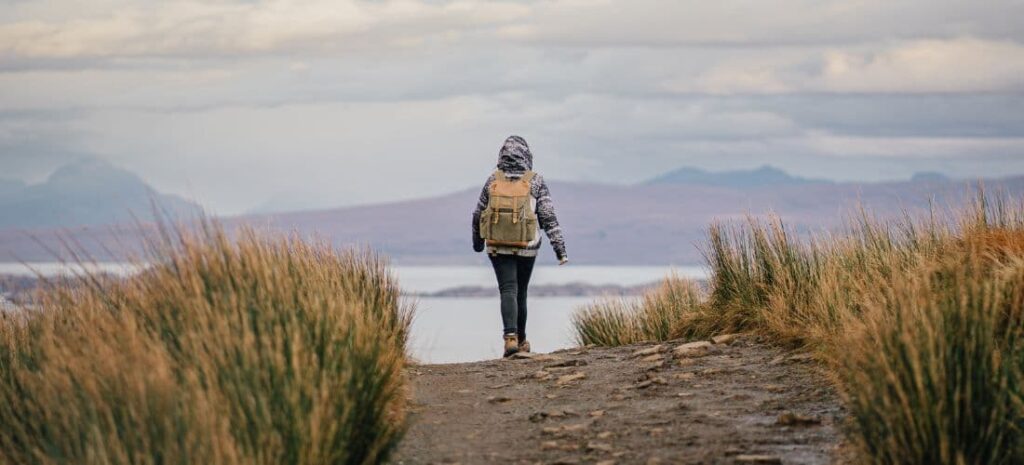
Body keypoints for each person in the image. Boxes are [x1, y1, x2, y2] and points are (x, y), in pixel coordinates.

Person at [472, 135, 568, 358]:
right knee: (521, 291)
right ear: (527, 155)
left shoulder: (492, 180)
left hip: (496, 245)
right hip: (527, 246)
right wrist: (560, 250)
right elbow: (548, 217)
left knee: (508, 289)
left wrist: (478, 243)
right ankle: (522, 340)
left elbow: (477, 213)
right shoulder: (535, 181)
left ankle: (510, 339)